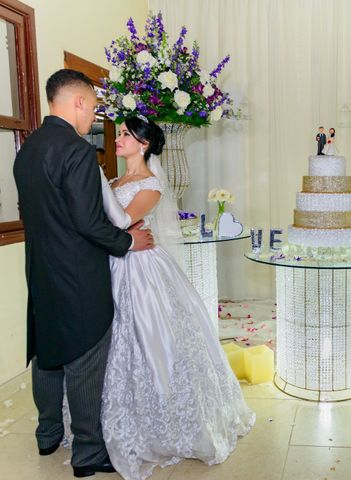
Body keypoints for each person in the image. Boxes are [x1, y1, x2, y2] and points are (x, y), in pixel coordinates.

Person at [13, 69, 154, 478]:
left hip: (42, 271)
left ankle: (47, 434)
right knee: (85, 359)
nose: (94, 115)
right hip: (78, 275)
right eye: (93, 107)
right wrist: (129, 243)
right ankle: (88, 453)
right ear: (77, 102)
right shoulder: (76, 151)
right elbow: (89, 223)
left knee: (47, 356)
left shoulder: (29, 149)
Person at [99, 115, 255, 480]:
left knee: (151, 338)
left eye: (126, 134)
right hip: (113, 263)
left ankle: (165, 420)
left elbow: (121, 222)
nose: (118, 139)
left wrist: (97, 184)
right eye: (119, 133)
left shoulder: (150, 185)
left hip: (141, 269)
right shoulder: (115, 180)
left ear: (144, 144)